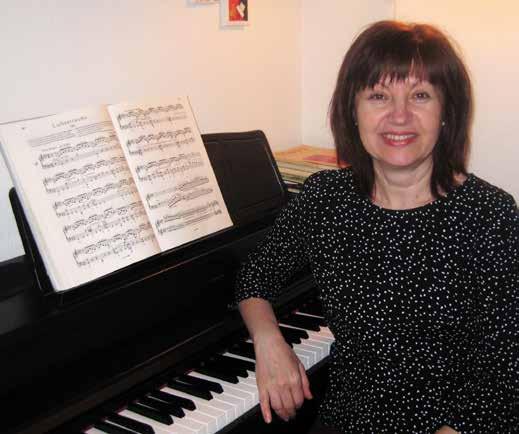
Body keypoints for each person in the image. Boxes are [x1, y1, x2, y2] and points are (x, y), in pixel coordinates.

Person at [234, 20, 519, 434]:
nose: (399, 116)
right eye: (378, 95)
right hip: (347, 419)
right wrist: (269, 342)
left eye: (420, 95)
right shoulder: (325, 198)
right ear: (353, 110)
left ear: (447, 111)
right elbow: (255, 277)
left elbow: (504, 373)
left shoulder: (490, 215)